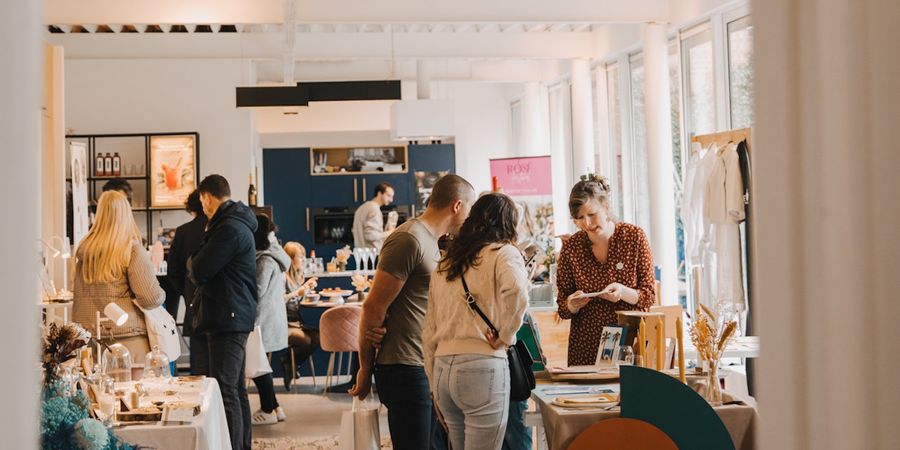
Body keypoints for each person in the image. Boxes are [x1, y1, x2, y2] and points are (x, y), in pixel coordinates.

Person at [350, 174, 476, 450]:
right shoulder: (409, 239)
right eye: (470, 208)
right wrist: (365, 368)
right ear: (457, 206)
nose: (470, 218)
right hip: (404, 367)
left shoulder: (433, 241)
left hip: (425, 364)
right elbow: (373, 306)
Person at [423, 193, 530, 450]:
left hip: (442, 369)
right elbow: (517, 292)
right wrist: (506, 336)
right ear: (509, 223)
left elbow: (428, 328)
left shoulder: (446, 263)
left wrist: (432, 386)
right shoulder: (503, 253)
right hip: (481, 367)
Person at [556, 174, 656, 366]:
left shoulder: (634, 238)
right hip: (585, 346)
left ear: (606, 207)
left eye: (592, 214)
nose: (586, 223)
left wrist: (622, 291)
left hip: (629, 344)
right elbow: (562, 306)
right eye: (579, 218)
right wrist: (571, 305)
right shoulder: (572, 248)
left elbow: (649, 295)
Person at [188, 175, 258, 450]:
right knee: (236, 389)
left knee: (226, 389)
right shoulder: (236, 223)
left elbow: (200, 270)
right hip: (233, 314)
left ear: (207, 197)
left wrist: (192, 260)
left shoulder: (227, 228)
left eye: (203, 201)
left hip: (226, 315)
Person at [73, 190, 165, 367]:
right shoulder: (131, 250)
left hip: (90, 340)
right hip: (128, 339)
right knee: (134, 392)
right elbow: (150, 298)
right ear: (126, 214)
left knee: (97, 393)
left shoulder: (85, 252)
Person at [250, 214, 290, 425]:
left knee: (258, 366)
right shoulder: (273, 255)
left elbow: (257, 290)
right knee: (261, 364)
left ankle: (267, 409)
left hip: (262, 319)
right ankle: (274, 407)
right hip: (271, 319)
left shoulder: (265, 259)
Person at [166, 190, 207, 372]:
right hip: (222, 305)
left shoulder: (183, 232)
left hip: (192, 299)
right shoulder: (221, 228)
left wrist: (184, 290)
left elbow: (173, 270)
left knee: (198, 360)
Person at [280, 241, 320, 391]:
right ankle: (287, 363)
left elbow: (298, 303)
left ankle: (290, 364)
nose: (303, 259)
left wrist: (307, 289)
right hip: (284, 324)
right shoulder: (282, 277)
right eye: (300, 256)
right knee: (305, 339)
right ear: (290, 258)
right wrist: (299, 292)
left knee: (318, 338)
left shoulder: (298, 276)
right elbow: (280, 300)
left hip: (298, 322)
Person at [352, 182, 396, 251]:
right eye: (388, 195)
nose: (391, 200)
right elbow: (370, 236)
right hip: (372, 255)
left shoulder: (362, 207)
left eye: (392, 197)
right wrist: (391, 232)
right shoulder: (374, 209)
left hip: (361, 254)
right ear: (379, 193)